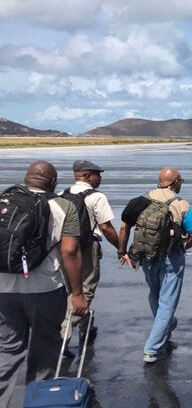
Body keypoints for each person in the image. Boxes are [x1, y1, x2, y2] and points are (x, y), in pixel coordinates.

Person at [0, 161, 89, 408]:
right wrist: (78, 293)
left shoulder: (5, 201)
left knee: (7, 350)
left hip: (3, 289)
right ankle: (37, 401)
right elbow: (70, 251)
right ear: (53, 182)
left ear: (26, 178)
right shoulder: (63, 206)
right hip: (45, 288)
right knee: (44, 351)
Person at [117, 167, 192, 363]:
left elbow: (124, 226)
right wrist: (182, 247)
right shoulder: (181, 204)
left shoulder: (141, 199)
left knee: (155, 294)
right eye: (181, 181)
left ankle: (166, 331)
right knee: (168, 303)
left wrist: (123, 252)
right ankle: (152, 349)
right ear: (175, 182)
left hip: (146, 257)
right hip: (172, 258)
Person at [59, 160, 120, 358]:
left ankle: (87, 327)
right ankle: (62, 339)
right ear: (86, 176)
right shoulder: (97, 197)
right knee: (85, 290)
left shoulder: (62, 194)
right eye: (97, 174)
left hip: (63, 248)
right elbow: (106, 227)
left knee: (71, 288)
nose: (99, 178)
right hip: (87, 248)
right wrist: (121, 248)